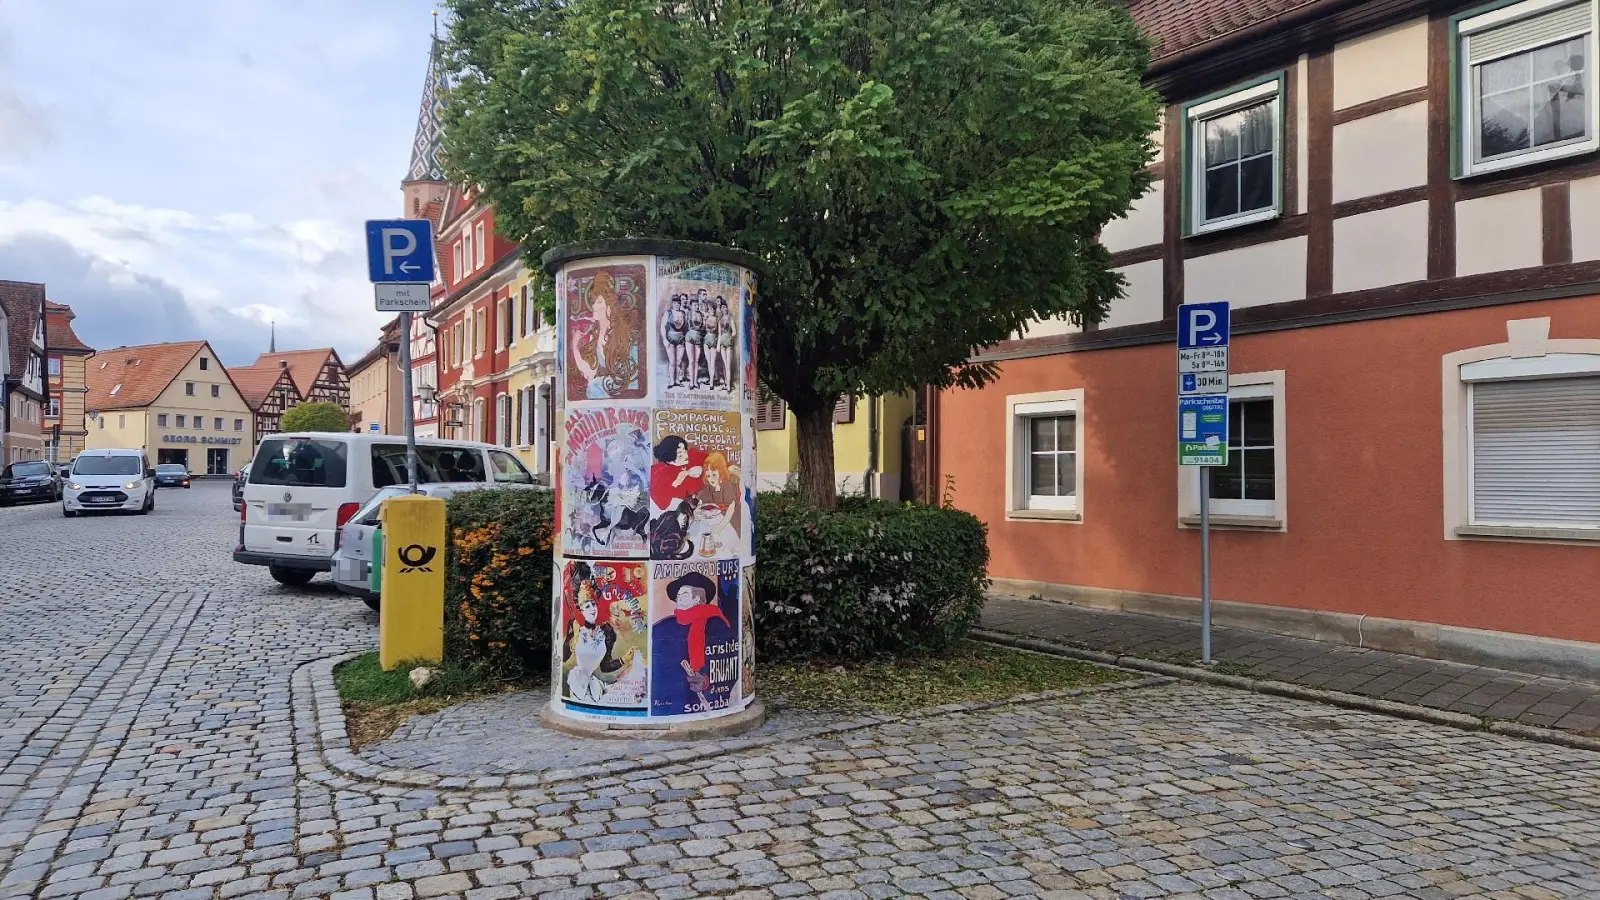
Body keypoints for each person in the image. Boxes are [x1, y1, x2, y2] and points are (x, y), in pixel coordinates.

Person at [650, 570, 735, 717]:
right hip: (664, 698)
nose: (678, 599)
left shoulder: (716, 624)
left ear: (697, 599)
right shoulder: (664, 626)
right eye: (678, 595)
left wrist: (705, 681)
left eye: (684, 595)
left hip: (696, 699)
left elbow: (728, 660)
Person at [573, 271, 637, 398]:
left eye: (599, 302)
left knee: (594, 387)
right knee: (593, 386)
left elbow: (628, 374)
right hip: (612, 387)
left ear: (610, 306)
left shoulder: (622, 333)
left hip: (630, 385)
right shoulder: (596, 335)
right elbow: (590, 373)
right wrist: (575, 346)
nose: (594, 306)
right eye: (593, 302)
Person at [694, 450, 741, 553]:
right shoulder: (709, 487)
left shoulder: (728, 486)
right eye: (708, 475)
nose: (711, 478)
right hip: (716, 520)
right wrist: (696, 510)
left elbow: (731, 509)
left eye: (714, 474)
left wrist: (721, 526)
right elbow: (700, 499)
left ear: (721, 472)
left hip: (730, 521)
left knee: (728, 546)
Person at [649, 435, 704, 510]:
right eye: (680, 453)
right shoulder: (660, 472)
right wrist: (677, 482)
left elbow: (714, 461)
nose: (685, 455)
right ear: (670, 455)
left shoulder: (691, 458)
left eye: (685, 450)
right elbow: (662, 504)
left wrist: (703, 468)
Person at [661, 294, 689, 387]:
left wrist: (686, 339)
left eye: (678, 303)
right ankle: (672, 381)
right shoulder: (668, 313)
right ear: (672, 304)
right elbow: (662, 327)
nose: (677, 305)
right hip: (670, 339)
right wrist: (664, 339)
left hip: (681, 339)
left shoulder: (683, 313)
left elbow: (686, 328)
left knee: (678, 362)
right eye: (675, 303)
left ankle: (677, 380)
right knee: (672, 362)